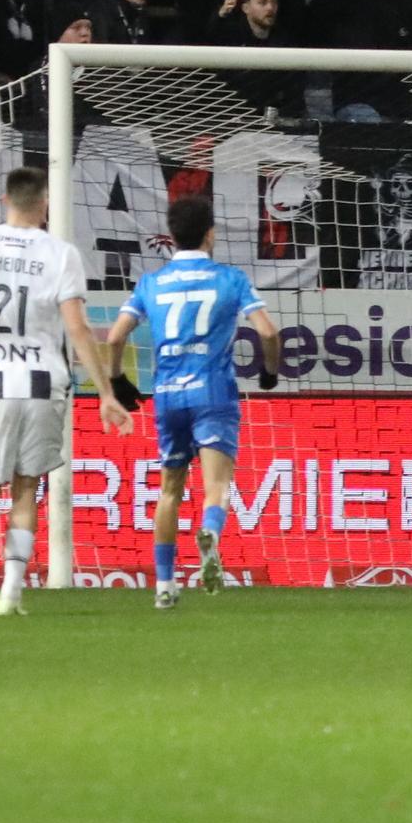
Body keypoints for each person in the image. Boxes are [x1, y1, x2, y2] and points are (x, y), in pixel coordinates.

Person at [0, 167, 126, 619]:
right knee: (26, 491)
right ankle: (11, 595)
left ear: (5, 200)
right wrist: (106, 393)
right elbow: (78, 328)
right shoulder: (61, 254)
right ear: (45, 204)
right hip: (44, 385)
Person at [107, 194, 281, 608]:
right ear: (210, 234)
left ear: (170, 236)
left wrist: (117, 381)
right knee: (216, 485)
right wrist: (270, 372)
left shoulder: (151, 282)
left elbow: (114, 337)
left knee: (170, 490)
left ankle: (164, 587)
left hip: (168, 395)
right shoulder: (231, 279)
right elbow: (269, 333)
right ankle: (210, 533)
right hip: (212, 391)